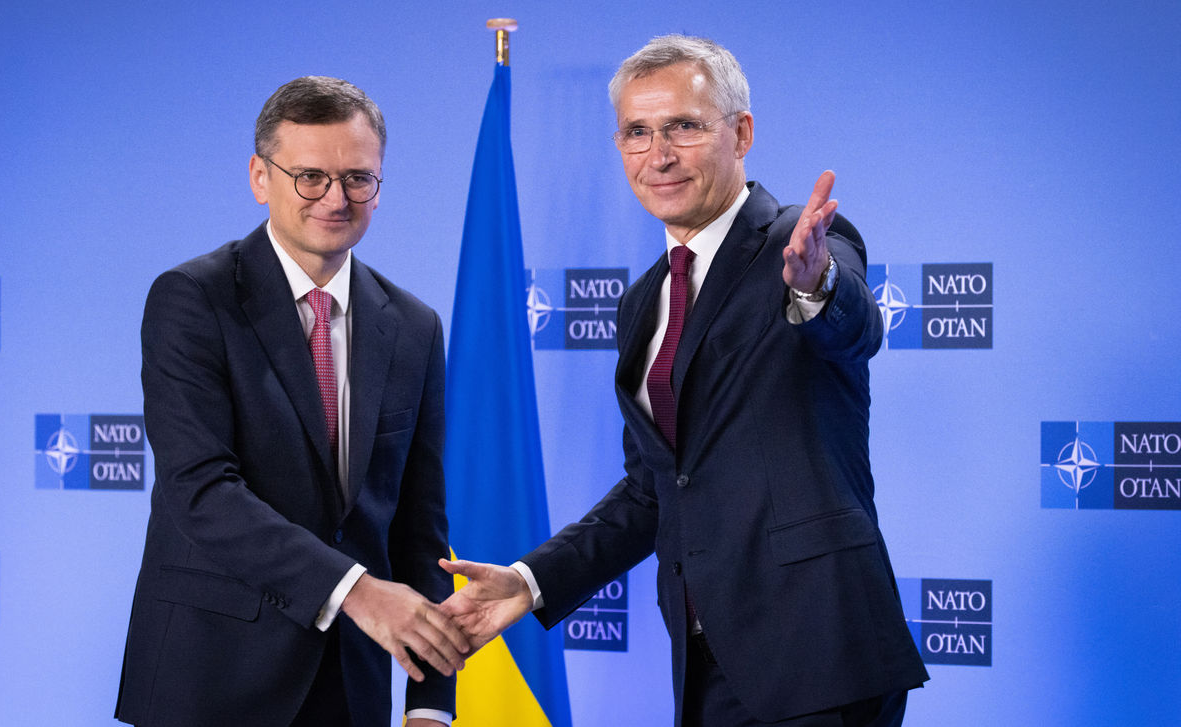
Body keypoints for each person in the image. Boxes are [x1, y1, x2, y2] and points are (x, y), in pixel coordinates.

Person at [440, 35, 929, 726]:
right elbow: (652, 491)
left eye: (683, 127)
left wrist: (815, 283)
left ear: (741, 133)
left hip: (822, 653)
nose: (658, 154)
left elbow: (854, 326)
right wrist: (529, 580)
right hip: (706, 662)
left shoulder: (802, 239)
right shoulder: (641, 302)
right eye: (637, 132)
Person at [115, 76, 466, 727]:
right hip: (210, 684)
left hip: (351, 691)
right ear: (260, 176)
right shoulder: (194, 300)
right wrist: (357, 590)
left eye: (358, 178)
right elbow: (201, 491)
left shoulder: (415, 327)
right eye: (310, 176)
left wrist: (429, 702)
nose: (336, 198)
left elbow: (421, 525)